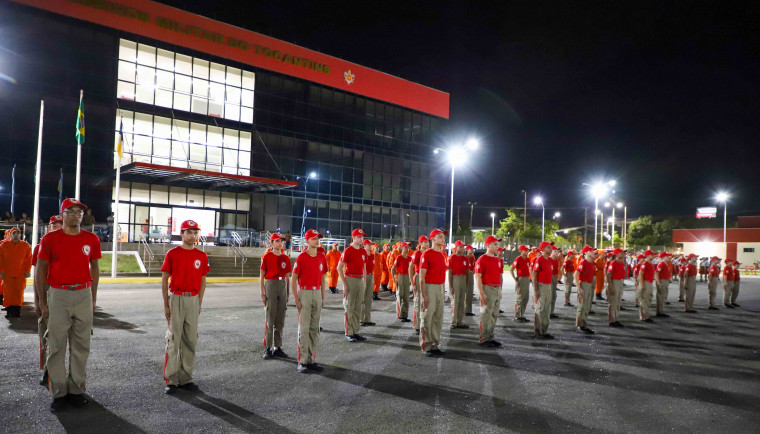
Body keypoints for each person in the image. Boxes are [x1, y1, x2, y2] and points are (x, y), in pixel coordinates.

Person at [35, 198, 101, 412]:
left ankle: (76, 390)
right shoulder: (50, 239)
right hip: (59, 295)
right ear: (62, 214)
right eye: (71, 211)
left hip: (83, 293)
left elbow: (95, 269)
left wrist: (93, 298)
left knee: (81, 346)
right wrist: (42, 302)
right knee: (56, 347)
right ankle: (58, 393)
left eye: (79, 211)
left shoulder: (91, 239)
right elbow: (40, 271)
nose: (76, 215)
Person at [161, 220, 209, 394]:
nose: (192, 235)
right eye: (189, 232)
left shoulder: (201, 256)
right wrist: (166, 304)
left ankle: (186, 378)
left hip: (193, 299)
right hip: (177, 297)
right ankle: (171, 379)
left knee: (190, 339)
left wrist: (199, 302)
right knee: (174, 339)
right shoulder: (173, 254)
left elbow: (203, 281)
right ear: (181, 233)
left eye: (195, 232)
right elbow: (165, 279)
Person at [32, 215, 63, 386]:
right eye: (54, 225)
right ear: (49, 227)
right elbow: (37, 276)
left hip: (62, 294)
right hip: (46, 291)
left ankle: (59, 370)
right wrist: (37, 301)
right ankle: (47, 370)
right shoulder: (40, 247)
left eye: (60, 225)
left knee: (62, 338)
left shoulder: (68, 246)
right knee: (45, 335)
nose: (57, 228)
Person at [291, 229, 328, 373]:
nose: (317, 240)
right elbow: (293, 279)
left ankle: (312, 360)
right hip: (305, 292)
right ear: (307, 241)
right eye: (313, 238)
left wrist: (323, 296)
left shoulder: (321, 257)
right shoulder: (301, 258)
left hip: (317, 292)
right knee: (304, 328)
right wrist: (296, 298)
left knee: (314, 329)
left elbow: (323, 278)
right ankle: (302, 361)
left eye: (318, 238)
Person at [260, 232, 292, 360]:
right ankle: (268, 347)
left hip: (282, 285)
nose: (280, 243)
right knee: (270, 317)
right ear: (272, 243)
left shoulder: (285, 258)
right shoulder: (267, 257)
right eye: (277, 241)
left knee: (280, 318)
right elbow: (262, 275)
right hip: (271, 284)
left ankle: (278, 347)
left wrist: (288, 292)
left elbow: (287, 277)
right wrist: (262, 291)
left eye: (281, 241)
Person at [420, 229, 448, 356]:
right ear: (433, 239)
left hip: (439, 288)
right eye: (440, 236)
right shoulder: (427, 254)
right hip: (430, 287)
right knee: (427, 317)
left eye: (443, 236)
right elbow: (422, 277)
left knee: (438, 318)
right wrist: (424, 294)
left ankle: (435, 344)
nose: (442, 238)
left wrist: (443, 291)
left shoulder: (442, 255)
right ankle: (426, 346)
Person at [338, 228, 368, 343]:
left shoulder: (363, 251)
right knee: (349, 307)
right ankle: (349, 332)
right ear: (353, 237)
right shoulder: (348, 251)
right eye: (359, 237)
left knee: (357, 307)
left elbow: (364, 267)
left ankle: (356, 331)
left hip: (360, 280)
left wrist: (364, 281)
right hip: (350, 279)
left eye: (362, 237)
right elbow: (338, 268)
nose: (361, 239)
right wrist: (344, 284)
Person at [475, 236, 503, 347]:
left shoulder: (497, 260)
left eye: (498, 244)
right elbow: (478, 277)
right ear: (488, 245)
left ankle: (490, 337)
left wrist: (500, 290)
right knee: (486, 314)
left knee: (494, 314)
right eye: (495, 244)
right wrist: (481, 293)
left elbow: (498, 276)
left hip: (496, 288)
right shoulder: (482, 259)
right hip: (487, 288)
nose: (497, 246)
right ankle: (483, 338)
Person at [1, 227, 32, 318]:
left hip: (20, 274)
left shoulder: (25, 245)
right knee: (8, 293)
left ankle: (17, 311)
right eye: (13, 233)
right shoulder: (4, 245)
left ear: (20, 235)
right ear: (10, 235)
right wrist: (1, 271)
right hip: (7, 274)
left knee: (19, 293)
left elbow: (29, 259)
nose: (15, 235)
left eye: (17, 233)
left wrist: (27, 270)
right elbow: (1, 259)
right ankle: (9, 311)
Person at [531, 241, 555, 339]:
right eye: (549, 247)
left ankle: (544, 330)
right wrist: (536, 289)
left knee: (547, 308)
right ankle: (538, 331)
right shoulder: (539, 259)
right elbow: (534, 274)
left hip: (548, 286)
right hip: (541, 286)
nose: (551, 249)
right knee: (540, 308)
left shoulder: (550, 260)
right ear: (544, 249)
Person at [574, 246, 597, 334]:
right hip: (583, 284)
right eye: (591, 251)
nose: (593, 252)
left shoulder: (591, 263)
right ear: (586, 253)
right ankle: (579, 325)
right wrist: (579, 288)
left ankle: (583, 323)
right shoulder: (583, 262)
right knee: (582, 305)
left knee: (586, 305)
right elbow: (576, 274)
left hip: (589, 284)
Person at [410, 235, 429, 335]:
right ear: (420, 243)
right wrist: (412, 283)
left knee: (425, 302)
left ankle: (424, 324)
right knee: (418, 301)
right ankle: (417, 325)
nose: (427, 243)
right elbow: (411, 268)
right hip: (418, 277)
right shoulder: (417, 253)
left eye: (427, 242)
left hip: (427, 278)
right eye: (425, 242)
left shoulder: (429, 253)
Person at [447, 240, 468, 328]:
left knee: (462, 302)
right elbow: (450, 272)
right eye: (460, 246)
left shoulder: (465, 258)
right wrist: (451, 286)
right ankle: (453, 322)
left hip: (463, 279)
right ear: (456, 247)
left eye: (463, 247)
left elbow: (467, 272)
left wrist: (467, 283)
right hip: (455, 278)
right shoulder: (452, 257)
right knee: (455, 301)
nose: (462, 248)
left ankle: (460, 321)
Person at [392, 242, 413, 322]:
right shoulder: (399, 258)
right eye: (406, 247)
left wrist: (411, 279)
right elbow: (393, 269)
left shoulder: (410, 258)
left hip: (407, 277)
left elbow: (412, 270)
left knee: (406, 296)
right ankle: (400, 315)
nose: (407, 249)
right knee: (400, 296)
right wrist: (394, 279)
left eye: (408, 247)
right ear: (402, 248)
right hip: (401, 276)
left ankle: (405, 315)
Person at [607, 248, 628, 327]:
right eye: (621, 253)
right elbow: (608, 275)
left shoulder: (622, 263)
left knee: (618, 301)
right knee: (613, 301)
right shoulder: (613, 263)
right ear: (616, 254)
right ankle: (611, 320)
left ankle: (615, 318)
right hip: (614, 281)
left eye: (624, 253)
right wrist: (611, 286)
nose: (623, 254)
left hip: (620, 282)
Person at [510, 245, 531, 323]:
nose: (527, 251)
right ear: (521, 251)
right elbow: (511, 269)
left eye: (527, 250)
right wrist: (515, 279)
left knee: (526, 297)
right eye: (525, 250)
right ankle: (517, 315)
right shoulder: (518, 259)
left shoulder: (528, 259)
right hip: (521, 278)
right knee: (520, 298)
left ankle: (522, 315)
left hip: (526, 278)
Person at [361, 239, 376, 326]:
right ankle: (361, 318)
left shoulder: (372, 255)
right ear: (364, 245)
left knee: (369, 298)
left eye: (371, 244)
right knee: (362, 298)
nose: (370, 246)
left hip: (371, 276)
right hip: (364, 276)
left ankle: (367, 318)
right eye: (369, 244)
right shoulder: (362, 255)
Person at [637, 250, 655, 322]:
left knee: (648, 299)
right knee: (644, 299)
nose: (653, 256)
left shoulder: (650, 264)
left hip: (649, 283)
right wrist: (642, 285)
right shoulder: (645, 264)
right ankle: (643, 316)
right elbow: (641, 274)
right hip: (645, 282)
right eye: (652, 255)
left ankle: (646, 315)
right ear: (647, 256)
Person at [654, 252, 672, 317]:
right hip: (662, 281)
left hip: (665, 280)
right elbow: (656, 273)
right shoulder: (661, 264)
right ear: (664, 257)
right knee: (661, 296)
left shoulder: (665, 264)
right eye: (667, 256)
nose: (669, 257)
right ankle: (660, 311)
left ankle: (661, 310)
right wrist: (658, 282)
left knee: (663, 296)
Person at [549, 246, 561, 319]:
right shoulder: (549, 260)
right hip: (549, 278)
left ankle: (551, 312)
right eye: (555, 251)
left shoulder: (556, 260)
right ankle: (548, 312)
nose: (557, 253)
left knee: (553, 295)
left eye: (557, 251)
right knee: (549, 296)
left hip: (554, 277)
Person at [464, 245, 476, 316]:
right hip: (466, 274)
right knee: (466, 292)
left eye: (472, 249)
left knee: (470, 292)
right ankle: (465, 309)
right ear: (467, 250)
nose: (472, 250)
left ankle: (468, 309)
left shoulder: (473, 257)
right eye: (471, 249)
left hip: (471, 273)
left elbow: (473, 266)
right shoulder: (465, 258)